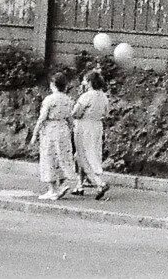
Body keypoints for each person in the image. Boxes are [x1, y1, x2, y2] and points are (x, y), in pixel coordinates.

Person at [31, 70, 80, 201]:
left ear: (53, 84)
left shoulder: (49, 99)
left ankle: (53, 189)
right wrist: (72, 130)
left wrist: (35, 133)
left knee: (49, 157)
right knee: (63, 156)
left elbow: (42, 118)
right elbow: (70, 119)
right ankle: (62, 183)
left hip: (51, 129)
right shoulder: (68, 100)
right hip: (63, 129)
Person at [71, 69, 111, 200]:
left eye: (85, 80)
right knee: (92, 153)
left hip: (84, 126)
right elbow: (106, 114)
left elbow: (76, 113)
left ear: (89, 82)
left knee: (83, 155)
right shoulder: (104, 96)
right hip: (97, 126)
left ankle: (99, 183)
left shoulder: (86, 96)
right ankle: (79, 185)